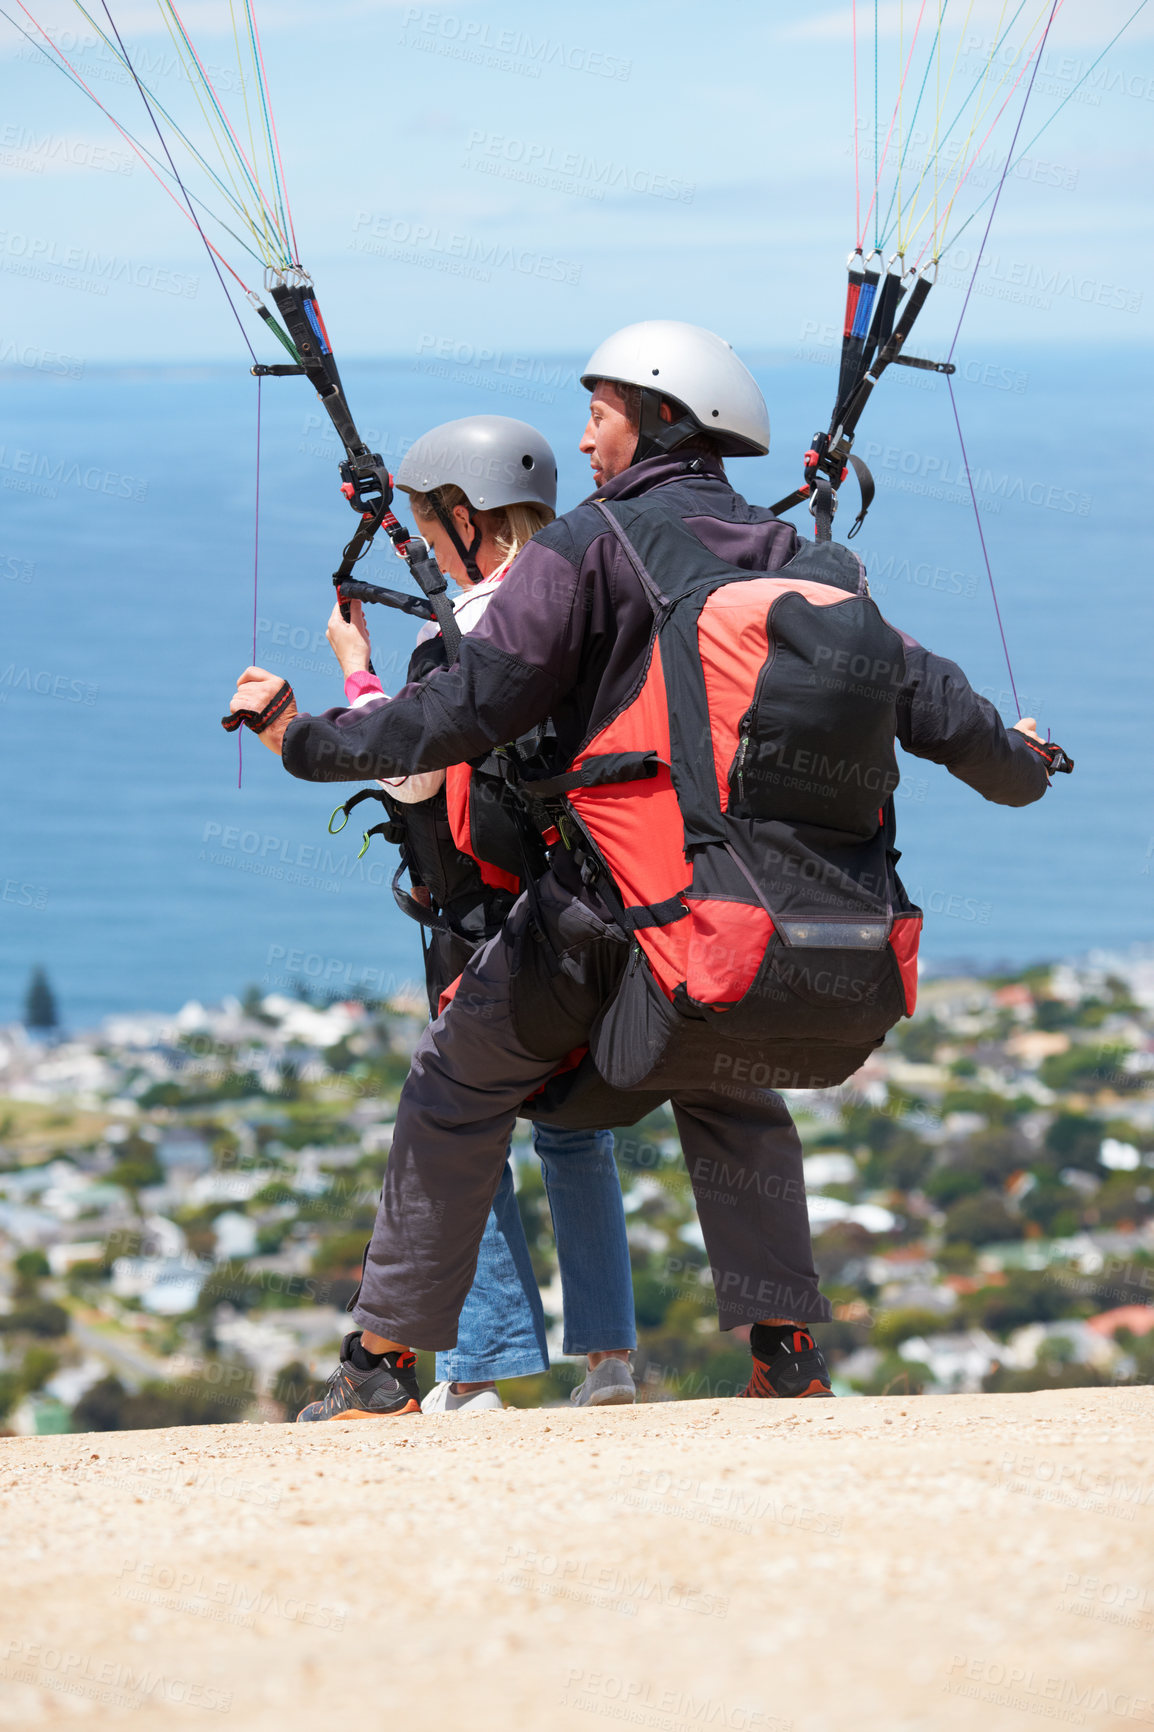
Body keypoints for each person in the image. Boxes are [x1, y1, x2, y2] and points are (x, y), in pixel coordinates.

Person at [229, 319, 1061, 1419]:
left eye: (600, 412)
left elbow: (463, 706)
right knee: (726, 1080)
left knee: (455, 1077)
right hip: (754, 928)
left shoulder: (592, 545)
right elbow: (963, 730)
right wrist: (1028, 759)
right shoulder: (810, 567)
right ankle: (787, 1352)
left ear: (660, 418)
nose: (582, 441)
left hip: (602, 915)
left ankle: (381, 1361)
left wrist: (305, 739)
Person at [324, 416, 636, 1415]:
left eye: (424, 521)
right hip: (599, 905)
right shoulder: (588, 610)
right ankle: (609, 1361)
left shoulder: (449, 638)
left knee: (469, 1126)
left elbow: (407, 769)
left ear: (463, 520)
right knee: (577, 1131)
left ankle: (485, 1368)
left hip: (485, 925)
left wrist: (357, 675)